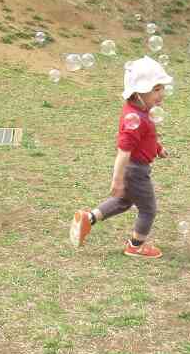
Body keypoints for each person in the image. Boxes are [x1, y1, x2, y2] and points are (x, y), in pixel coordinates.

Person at [69, 56, 171, 259]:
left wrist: (157, 148)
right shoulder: (135, 120)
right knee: (148, 210)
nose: (162, 94)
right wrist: (117, 179)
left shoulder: (139, 111)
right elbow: (124, 152)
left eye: (161, 88)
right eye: (156, 89)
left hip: (133, 170)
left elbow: (145, 138)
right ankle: (136, 245)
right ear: (138, 92)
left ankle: (88, 219)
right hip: (135, 172)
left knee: (123, 202)